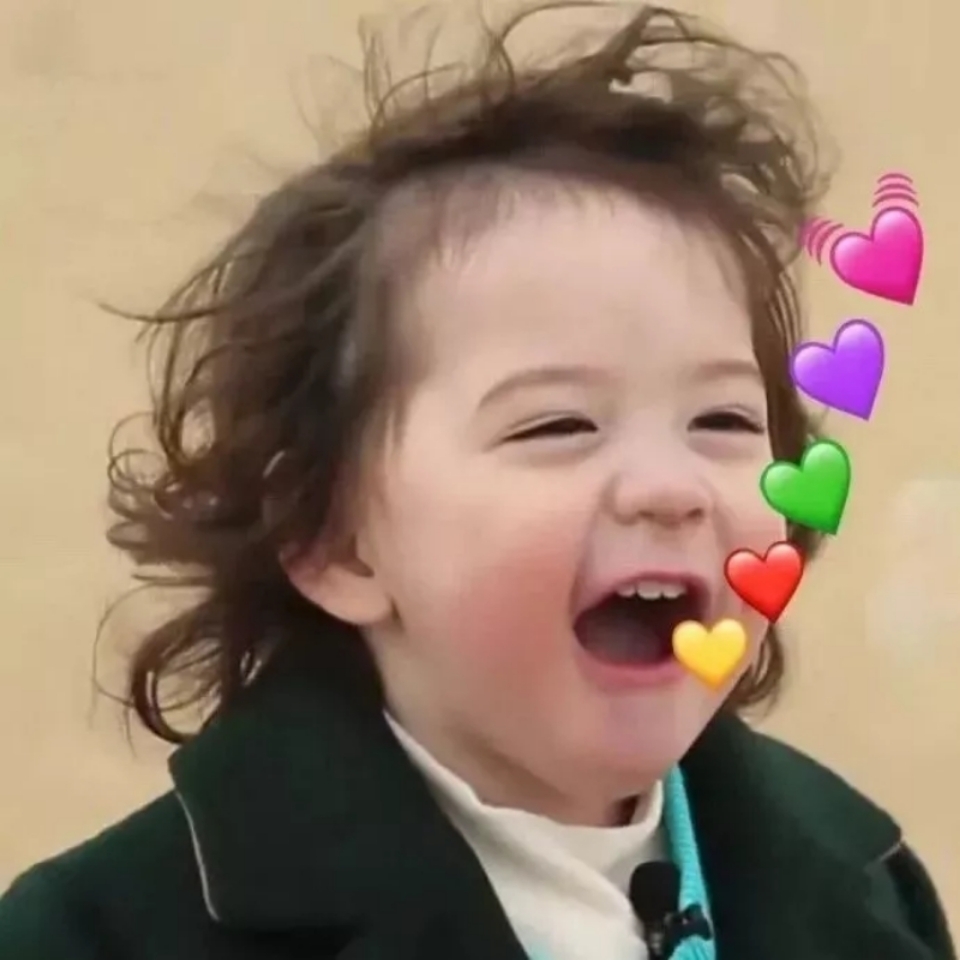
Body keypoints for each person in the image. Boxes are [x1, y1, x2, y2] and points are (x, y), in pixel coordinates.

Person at [0, 3, 954, 958]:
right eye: (558, 425)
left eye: (724, 421)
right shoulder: (103, 934)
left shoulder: (863, 888)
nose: (673, 488)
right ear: (334, 541)